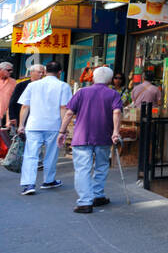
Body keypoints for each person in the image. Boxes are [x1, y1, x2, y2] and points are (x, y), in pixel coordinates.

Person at [59, 65, 122, 213]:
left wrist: (62, 131)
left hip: (82, 136)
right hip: (103, 136)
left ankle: (85, 202)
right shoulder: (113, 94)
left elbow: (69, 113)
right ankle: (98, 195)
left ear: (93, 78)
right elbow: (117, 112)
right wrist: (115, 132)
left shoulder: (81, 93)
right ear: (110, 80)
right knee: (101, 167)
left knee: (82, 169)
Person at [17, 62, 72, 196]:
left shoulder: (32, 85)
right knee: (51, 154)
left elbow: (25, 106)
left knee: (31, 155)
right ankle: (48, 180)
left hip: (34, 124)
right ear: (60, 72)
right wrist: (64, 128)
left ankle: (29, 184)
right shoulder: (63, 86)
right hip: (54, 125)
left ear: (45, 71)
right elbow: (63, 108)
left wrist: (21, 125)